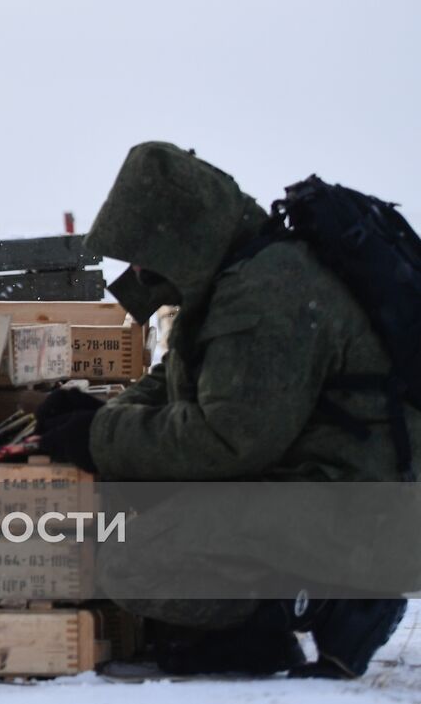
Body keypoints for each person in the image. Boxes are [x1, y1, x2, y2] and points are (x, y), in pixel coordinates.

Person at [35, 141, 417, 679]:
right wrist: (99, 418)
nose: (139, 268)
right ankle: (253, 631)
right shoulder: (237, 274)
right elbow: (174, 381)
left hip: (355, 509)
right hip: (320, 489)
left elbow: (224, 440)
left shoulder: (266, 295)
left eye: (145, 251)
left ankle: (328, 603)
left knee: (131, 560)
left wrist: (98, 436)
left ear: (181, 238)